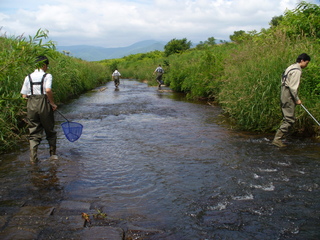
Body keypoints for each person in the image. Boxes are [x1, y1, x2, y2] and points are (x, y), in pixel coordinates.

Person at [21, 56, 58, 163]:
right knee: (50, 131)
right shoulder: (47, 76)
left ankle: (33, 159)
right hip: (44, 104)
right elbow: (48, 90)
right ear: (44, 65)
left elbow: (24, 96)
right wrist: (52, 103)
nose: (47, 68)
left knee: (33, 133)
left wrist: (32, 104)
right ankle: (53, 156)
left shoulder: (28, 77)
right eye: (47, 66)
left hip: (31, 104)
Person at [272, 53, 311, 147]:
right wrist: (297, 99)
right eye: (307, 63)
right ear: (302, 61)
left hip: (283, 92)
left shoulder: (291, 66)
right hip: (288, 95)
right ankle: (277, 140)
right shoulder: (297, 70)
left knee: (287, 118)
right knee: (289, 119)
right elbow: (293, 88)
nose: (306, 65)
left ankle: (282, 138)